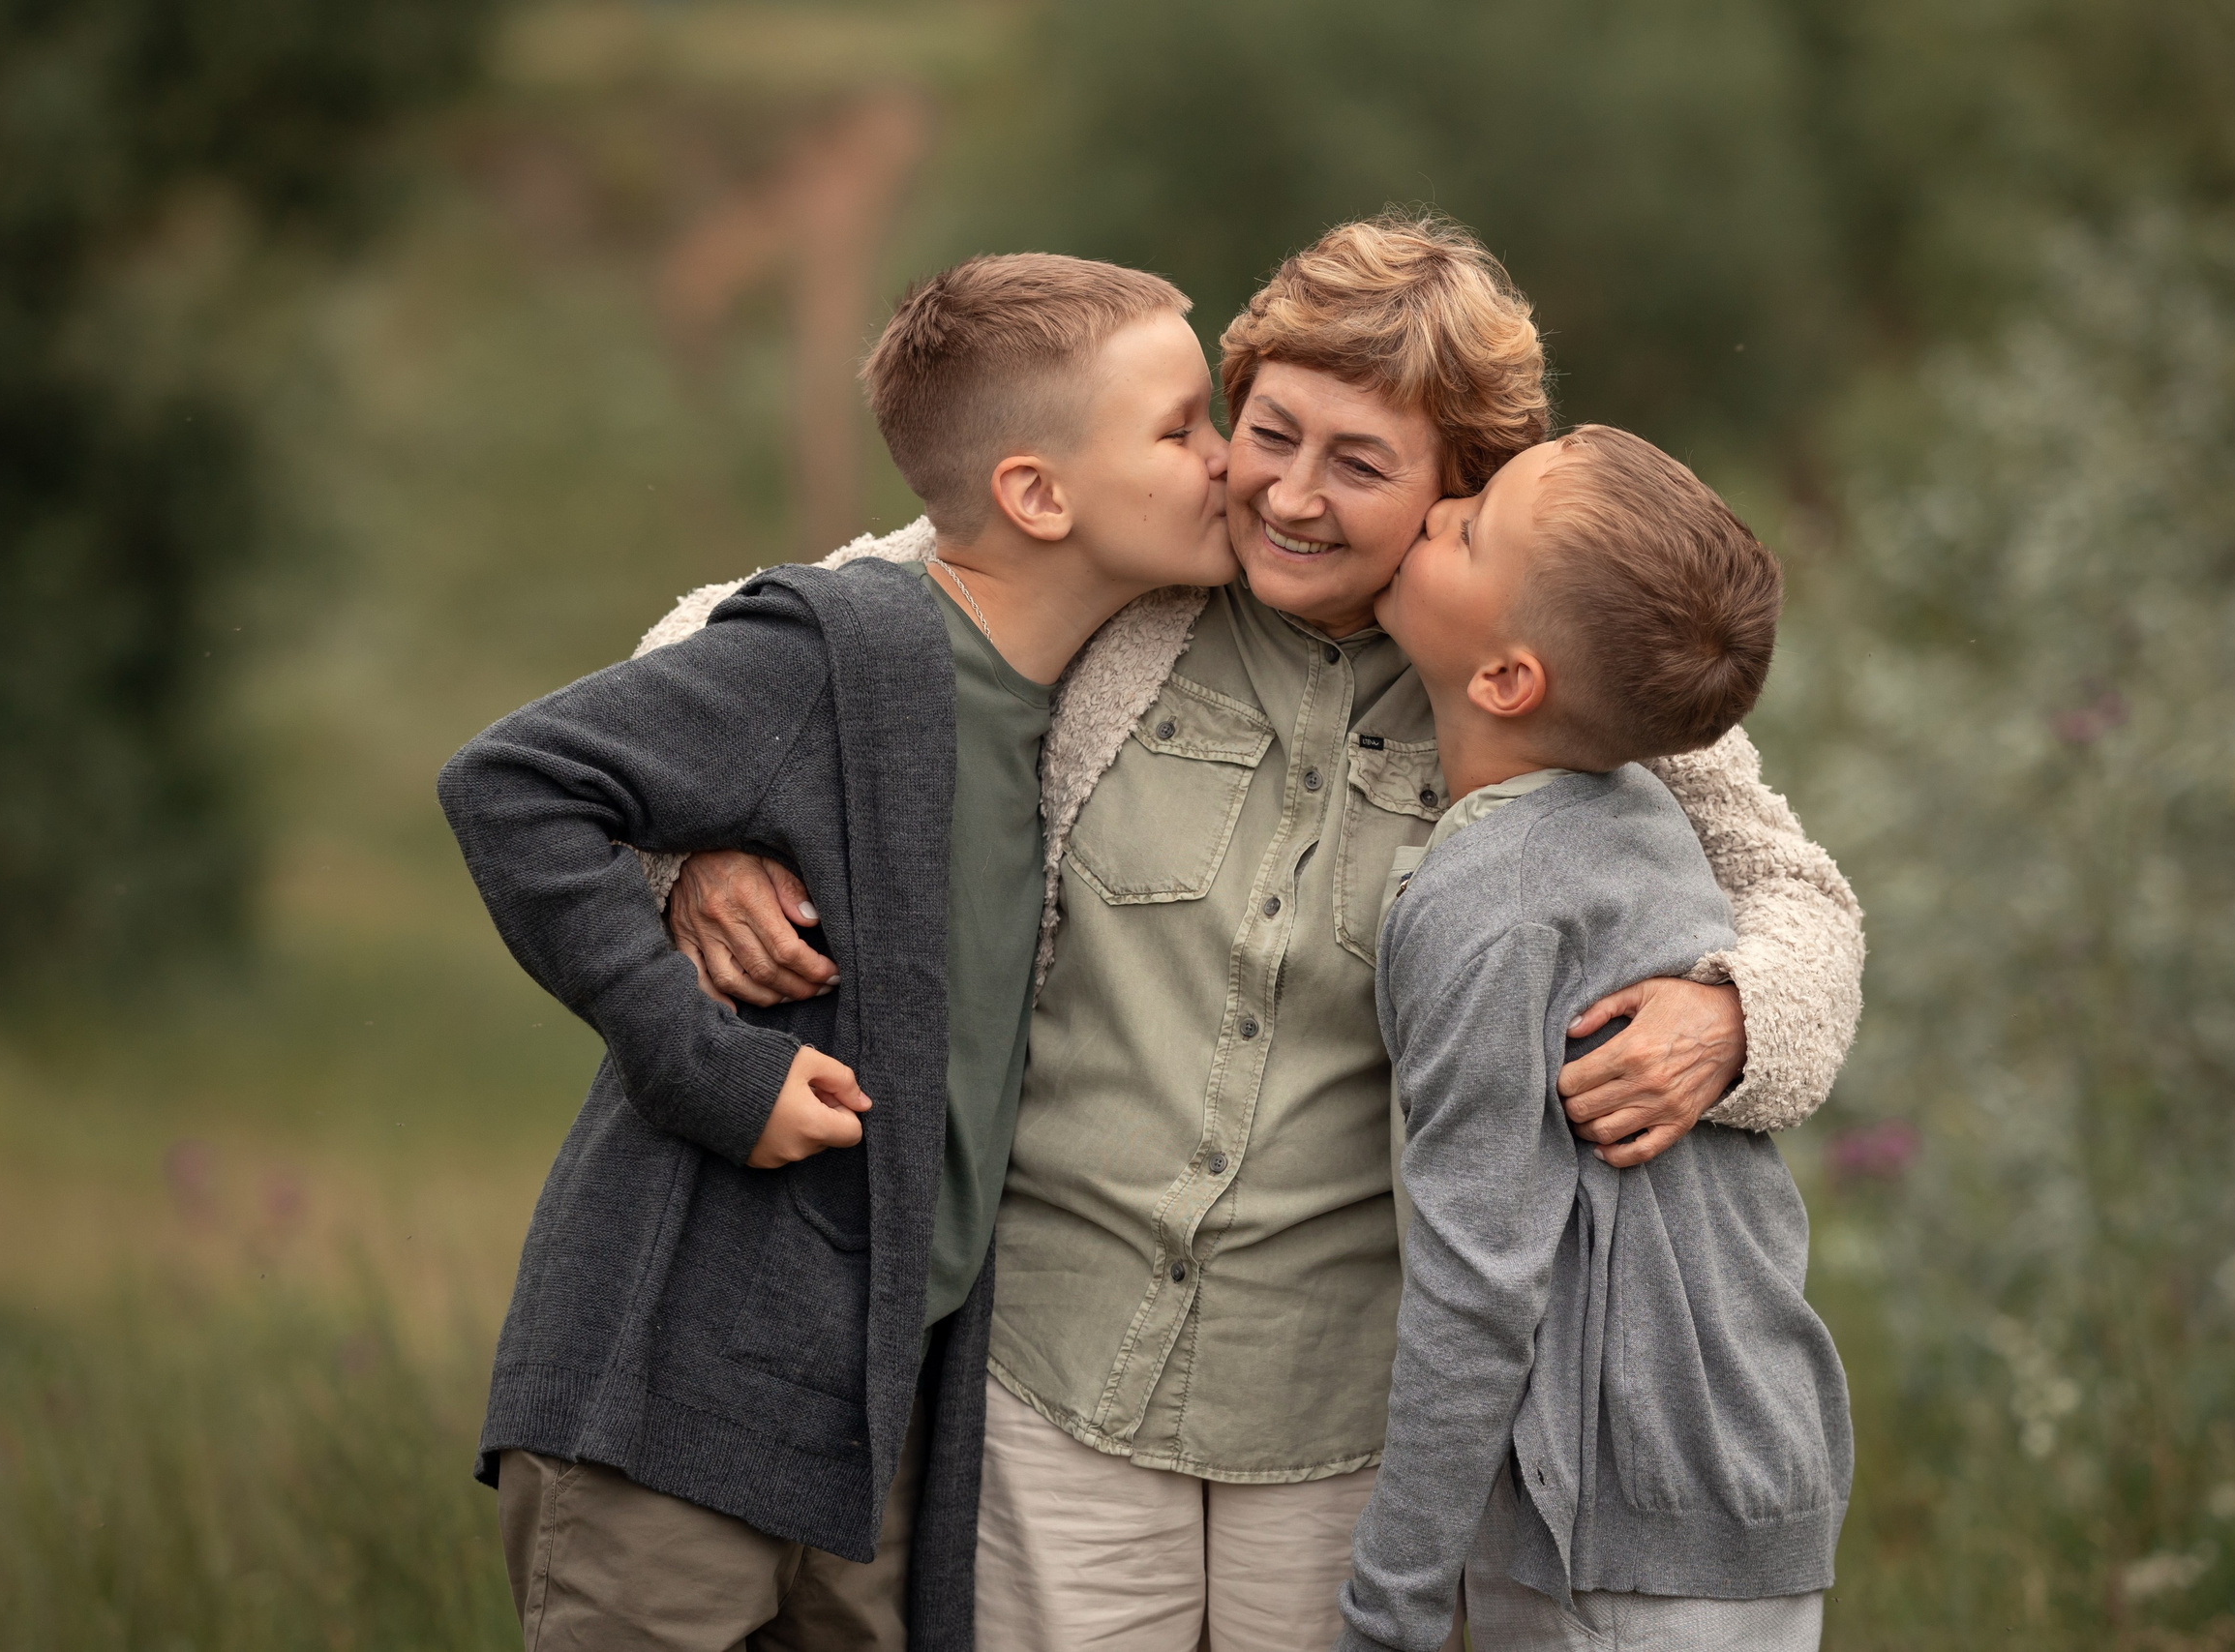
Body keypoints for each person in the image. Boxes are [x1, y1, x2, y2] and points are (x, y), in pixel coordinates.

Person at [662, 211, 1865, 1651]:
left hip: (1345, 1413)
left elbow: (1805, 896)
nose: (1286, 494)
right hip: (1059, 1380)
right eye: (1266, 430)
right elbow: (708, 644)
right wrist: (698, 846)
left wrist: (1727, 1018)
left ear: (1456, 489)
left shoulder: (1537, 672)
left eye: (1359, 464)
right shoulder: (1126, 567)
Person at [436, 252, 1236, 1652]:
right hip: (666, 1399)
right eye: (1183, 429)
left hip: (869, 1437)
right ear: (1037, 496)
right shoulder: (845, 650)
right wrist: (707, 1063)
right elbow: (512, 782)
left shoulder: (1068, 703)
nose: (1230, 462)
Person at [1337, 426, 1852, 1652]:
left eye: (1468, 527)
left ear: (1510, 681)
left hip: (1618, 1527)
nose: (1436, 510)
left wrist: (1392, 1607)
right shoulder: (1634, 810)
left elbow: (1479, 1285)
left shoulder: (1492, 902)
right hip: (1749, 1473)